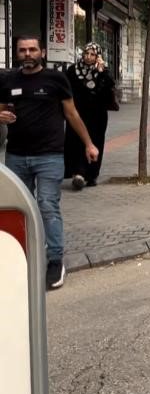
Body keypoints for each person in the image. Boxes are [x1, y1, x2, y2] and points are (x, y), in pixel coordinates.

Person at [0, 36, 99, 289]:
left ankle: (55, 260)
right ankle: (21, 255)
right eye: (23, 50)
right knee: (19, 207)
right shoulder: (8, 80)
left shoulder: (56, 79)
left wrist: (88, 143)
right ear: (17, 53)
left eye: (32, 49)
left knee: (47, 205)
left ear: (42, 52)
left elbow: (71, 113)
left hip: (49, 156)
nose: (28, 53)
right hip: (16, 155)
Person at [64, 42, 116, 189]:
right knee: (76, 142)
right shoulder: (73, 70)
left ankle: (91, 174)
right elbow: (66, 90)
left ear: (98, 56)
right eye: (86, 53)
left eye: (92, 54)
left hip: (97, 114)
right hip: (77, 113)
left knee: (96, 142)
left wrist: (102, 72)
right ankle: (78, 173)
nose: (88, 57)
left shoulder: (102, 71)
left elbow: (109, 89)